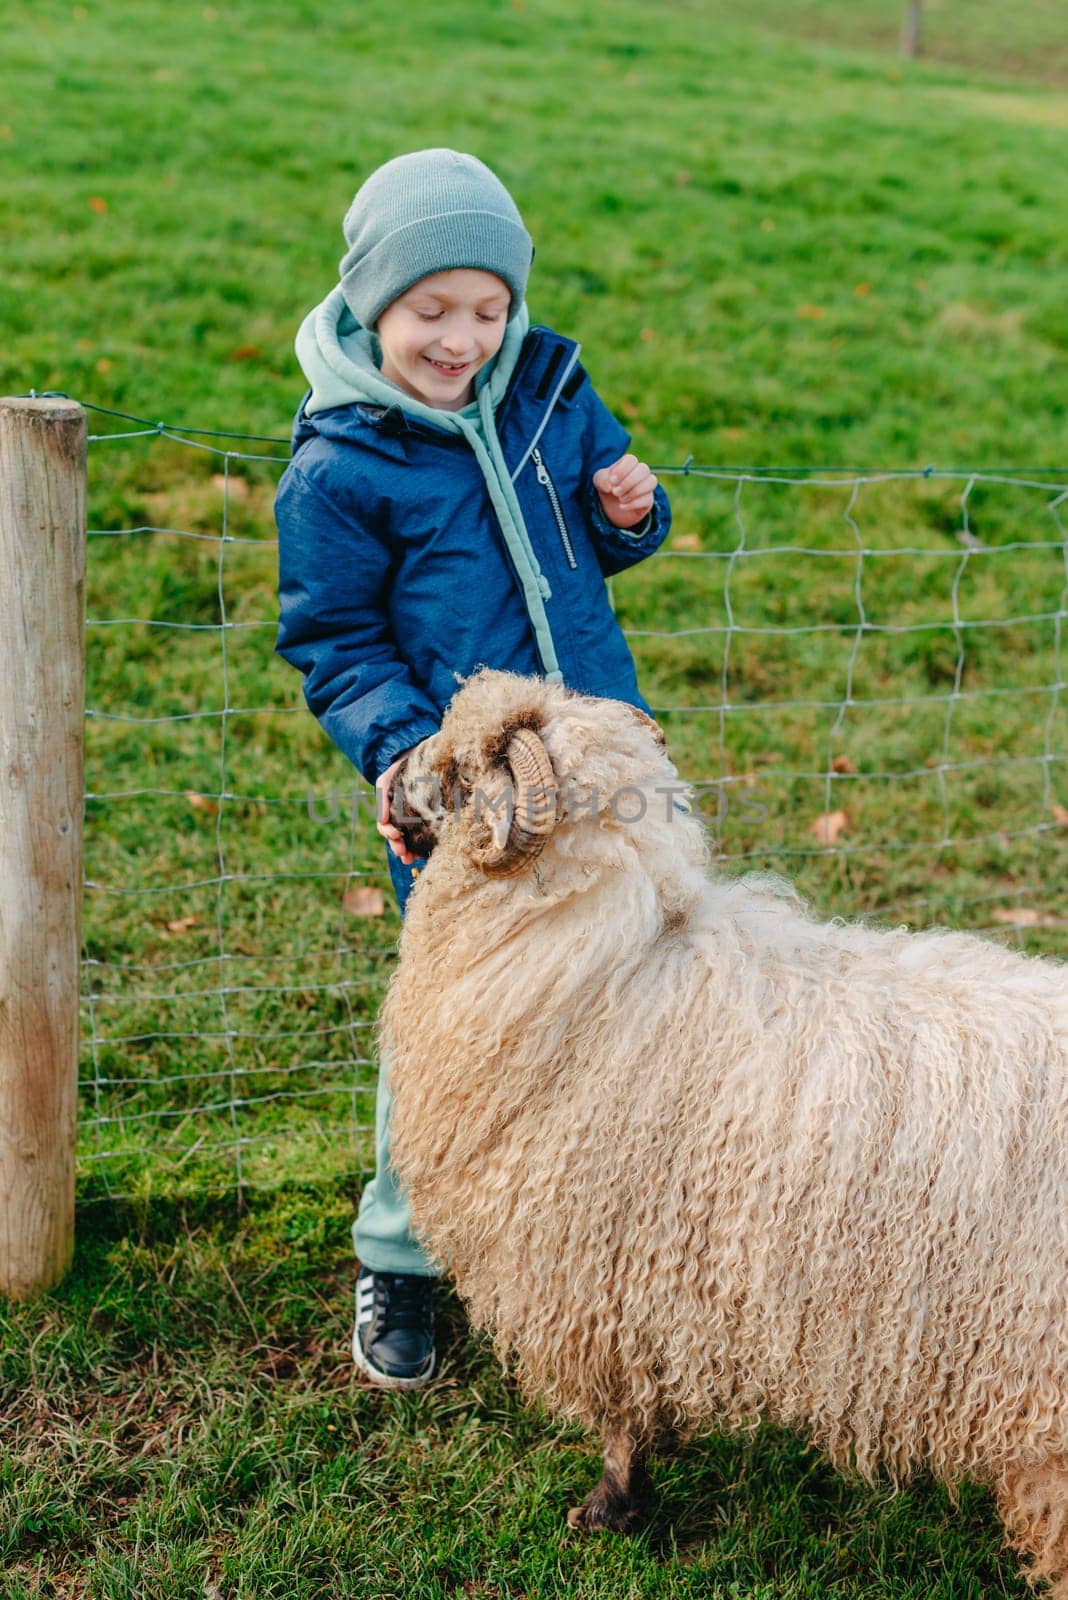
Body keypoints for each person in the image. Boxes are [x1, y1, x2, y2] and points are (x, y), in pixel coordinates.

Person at [274, 148, 671, 1390]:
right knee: (454, 1025)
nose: (464, 339)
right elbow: (335, 644)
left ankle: (602, 1223)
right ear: (370, 302)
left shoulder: (547, 386)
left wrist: (628, 512)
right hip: (470, 802)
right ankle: (403, 1254)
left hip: (599, 753)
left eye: (488, 308)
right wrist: (408, 761)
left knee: (630, 982)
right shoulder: (340, 464)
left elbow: (609, 535)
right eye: (431, 311)